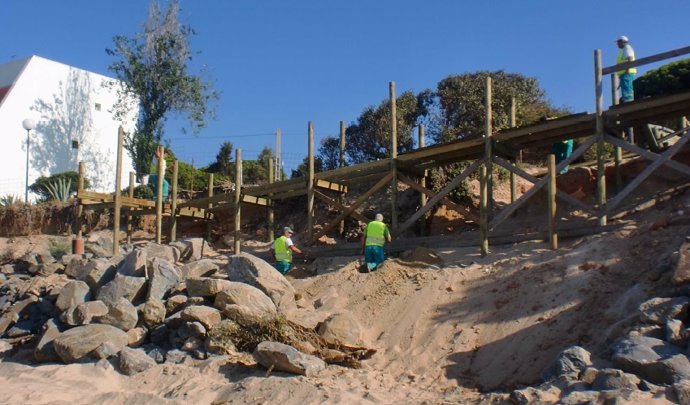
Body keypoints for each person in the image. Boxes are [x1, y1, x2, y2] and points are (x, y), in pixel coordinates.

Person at [616, 36, 636, 103]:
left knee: (627, 86)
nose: (617, 44)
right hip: (624, 73)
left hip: (627, 72)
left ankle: (628, 101)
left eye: (618, 42)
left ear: (622, 41)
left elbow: (629, 59)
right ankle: (626, 100)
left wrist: (627, 71)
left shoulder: (627, 47)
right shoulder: (623, 50)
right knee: (625, 86)